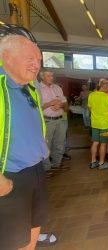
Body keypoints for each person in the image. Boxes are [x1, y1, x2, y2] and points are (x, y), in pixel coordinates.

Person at [0, 34, 50, 250]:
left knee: (34, 223)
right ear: (6, 57)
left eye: (38, 60)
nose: (36, 65)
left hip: (35, 169)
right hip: (9, 175)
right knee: (12, 239)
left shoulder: (29, 89)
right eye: (30, 58)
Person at [40, 69, 69, 174]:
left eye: (52, 76)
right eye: (48, 76)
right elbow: (35, 107)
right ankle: (46, 168)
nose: (51, 78)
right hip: (47, 121)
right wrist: (50, 103)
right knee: (46, 145)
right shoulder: (38, 89)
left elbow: (65, 104)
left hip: (60, 120)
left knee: (59, 144)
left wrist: (61, 105)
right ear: (42, 77)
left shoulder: (57, 88)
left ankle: (56, 164)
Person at [88, 78, 108, 169]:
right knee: (103, 144)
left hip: (94, 123)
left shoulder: (91, 95)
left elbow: (90, 108)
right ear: (105, 87)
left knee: (95, 142)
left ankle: (93, 162)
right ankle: (101, 163)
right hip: (105, 124)